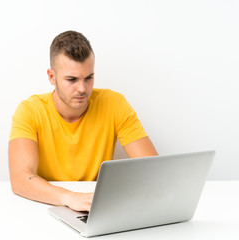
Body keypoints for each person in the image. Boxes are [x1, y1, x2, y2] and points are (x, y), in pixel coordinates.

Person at [8, 30, 158, 212]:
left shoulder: (115, 104)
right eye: (72, 79)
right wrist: (70, 198)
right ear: (51, 77)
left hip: (94, 205)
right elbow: (20, 179)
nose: (82, 88)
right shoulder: (30, 110)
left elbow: (153, 170)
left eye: (89, 78)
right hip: (45, 204)